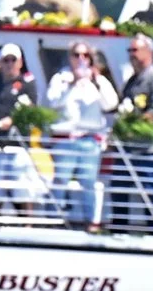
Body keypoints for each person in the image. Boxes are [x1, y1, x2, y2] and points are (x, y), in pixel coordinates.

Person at [47, 40, 119, 228]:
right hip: (65, 138)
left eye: (85, 55)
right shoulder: (60, 78)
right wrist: (72, 84)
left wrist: (96, 81)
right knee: (61, 180)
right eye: (76, 55)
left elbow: (110, 104)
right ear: (70, 57)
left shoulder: (98, 80)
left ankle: (91, 222)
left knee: (89, 182)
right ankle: (55, 220)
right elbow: (52, 101)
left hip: (89, 139)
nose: (81, 59)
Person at [117, 35, 153, 235]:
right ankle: (120, 228)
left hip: (151, 149)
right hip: (130, 147)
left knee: (151, 191)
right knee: (120, 187)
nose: (132, 55)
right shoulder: (132, 81)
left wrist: (138, 123)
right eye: (130, 51)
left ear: (147, 52)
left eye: (135, 50)